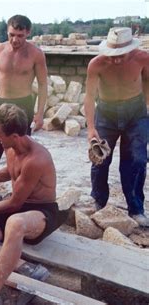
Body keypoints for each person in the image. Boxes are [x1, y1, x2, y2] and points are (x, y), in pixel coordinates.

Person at [0, 104, 67, 305]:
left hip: (40, 212)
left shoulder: (36, 159)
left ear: (15, 136)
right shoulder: (11, 149)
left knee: (15, 222)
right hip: (17, 208)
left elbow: (15, 203)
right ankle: (27, 268)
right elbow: (11, 171)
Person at [84, 27, 149, 227]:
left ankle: (136, 208)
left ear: (130, 49)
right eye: (112, 55)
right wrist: (91, 128)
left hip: (135, 112)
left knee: (137, 159)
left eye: (120, 55)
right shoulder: (96, 64)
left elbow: (148, 82)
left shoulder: (143, 59)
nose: (116, 59)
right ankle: (99, 201)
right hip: (106, 112)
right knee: (100, 158)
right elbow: (89, 96)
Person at [0, 15, 48, 169]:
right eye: (11, 35)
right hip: (0, 103)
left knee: (22, 149)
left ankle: (19, 188)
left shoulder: (36, 54)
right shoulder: (0, 50)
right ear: (7, 32)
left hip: (23, 104)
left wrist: (40, 113)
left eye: (20, 36)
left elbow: (43, 84)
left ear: (28, 33)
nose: (15, 40)